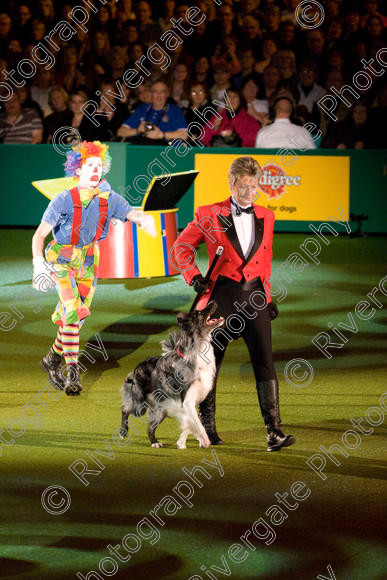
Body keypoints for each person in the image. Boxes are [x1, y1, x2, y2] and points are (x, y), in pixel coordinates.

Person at [174, 156, 295, 452]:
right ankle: (209, 428)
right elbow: (180, 247)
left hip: (255, 297)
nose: (249, 191)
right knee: (210, 364)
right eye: (244, 186)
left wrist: (267, 295)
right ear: (231, 183)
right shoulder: (208, 213)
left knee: (265, 361)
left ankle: (274, 431)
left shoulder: (267, 215)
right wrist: (193, 276)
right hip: (221, 297)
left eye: (254, 185)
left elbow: (263, 259)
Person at [32, 141, 156, 395]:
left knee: (75, 318)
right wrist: (38, 263)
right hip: (63, 258)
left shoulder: (110, 199)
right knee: (71, 309)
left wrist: (146, 220)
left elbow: (133, 214)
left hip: (89, 259)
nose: (95, 169)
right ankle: (72, 374)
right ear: (77, 169)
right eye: (90, 165)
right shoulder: (64, 199)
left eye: (99, 165)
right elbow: (39, 235)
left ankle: (51, 359)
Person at [117, 80, 187, 145]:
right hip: (144, 148)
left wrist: (161, 135)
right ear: (151, 94)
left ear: (167, 94)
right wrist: (138, 130)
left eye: (162, 92)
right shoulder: (142, 108)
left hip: (166, 151)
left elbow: (184, 135)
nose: (158, 95)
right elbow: (120, 132)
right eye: (155, 92)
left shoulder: (174, 109)